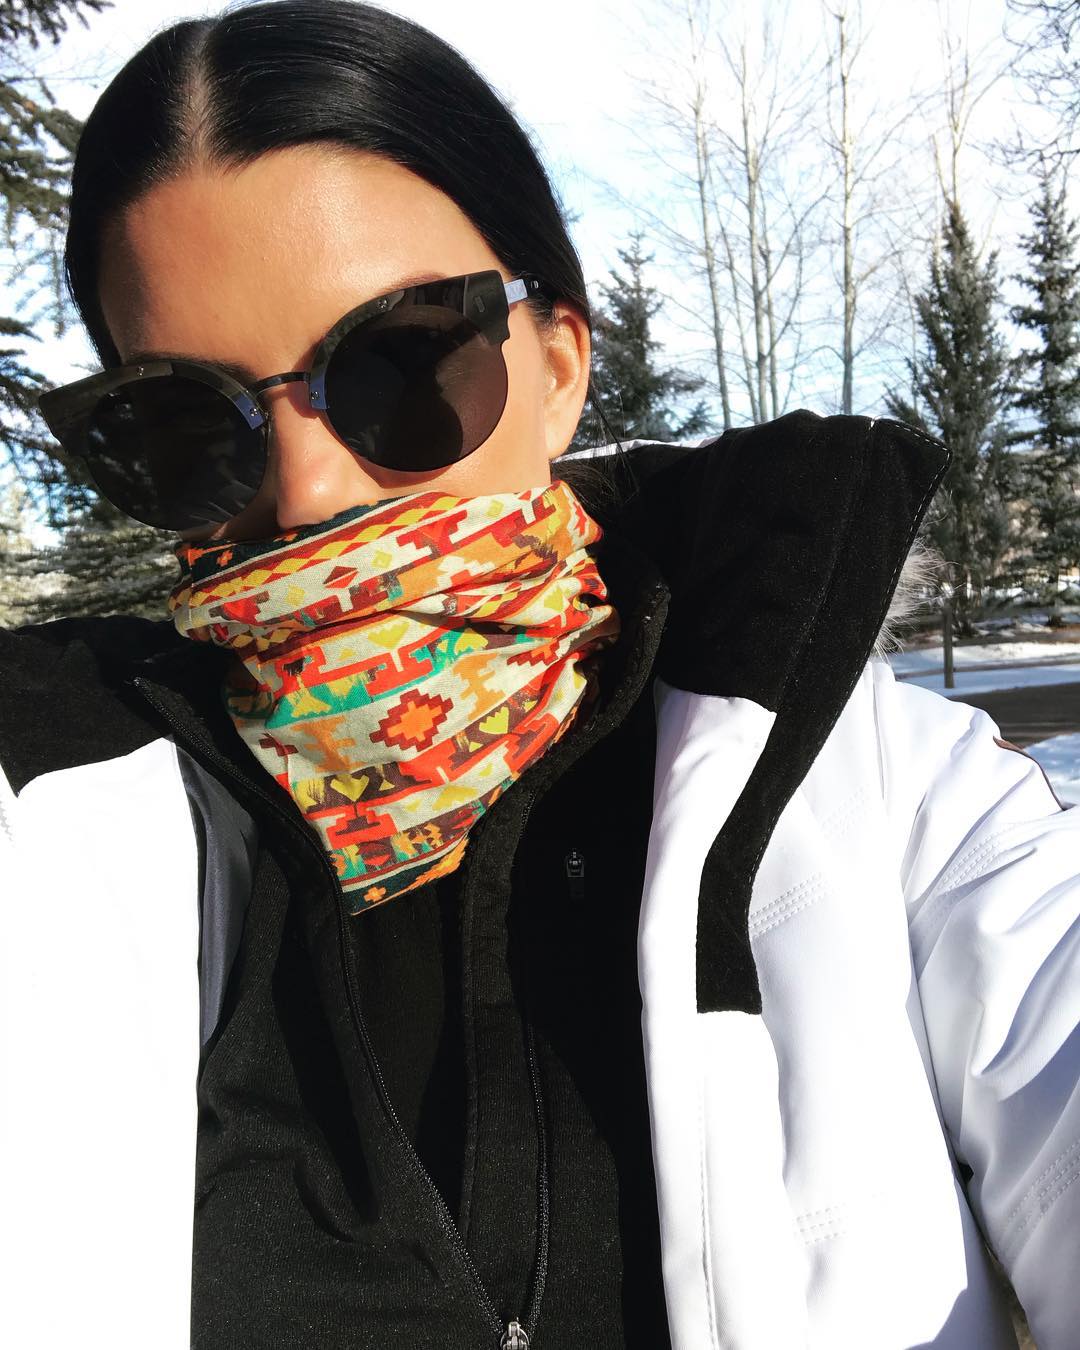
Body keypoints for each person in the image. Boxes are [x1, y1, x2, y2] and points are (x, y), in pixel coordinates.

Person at [1, 2, 1076, 1347]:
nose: (310, 491)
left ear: (559, 366)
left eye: (398, 363)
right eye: (183, 424)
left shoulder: (897, 807)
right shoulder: (57, 836)